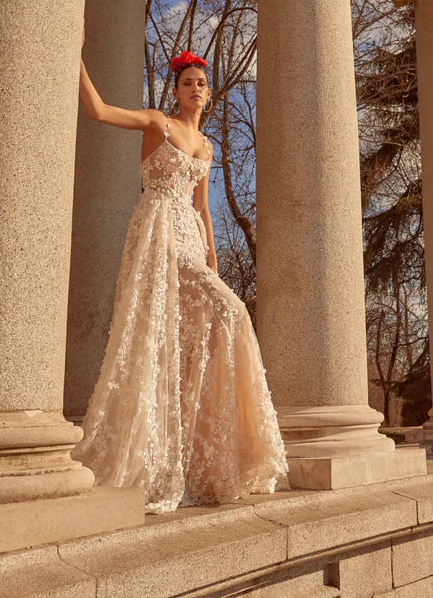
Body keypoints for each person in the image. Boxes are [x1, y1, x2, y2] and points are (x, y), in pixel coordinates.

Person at [71, 44, 287, 513]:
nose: (195, 89)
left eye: (202, 84)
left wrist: (212, 259)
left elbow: (205, 208)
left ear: (208, 95)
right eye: (187, 82)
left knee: (207, 328)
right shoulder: (157, 123)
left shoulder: (208, 147)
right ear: (176, 90)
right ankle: (160, 457)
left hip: (189, 235)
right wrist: (75, 55)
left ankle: (199, 454)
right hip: (158, 231)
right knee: (223, 314)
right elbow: (100, 111)